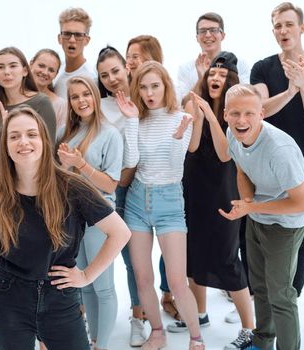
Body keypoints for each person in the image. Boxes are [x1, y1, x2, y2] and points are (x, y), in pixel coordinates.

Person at [0, 105, 131, 350]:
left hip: (59, 297)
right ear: (5, 145)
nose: (23, 142)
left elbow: (120, 232)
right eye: (14, 136)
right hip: (8, 299)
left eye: (31, 134)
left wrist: (86, 276)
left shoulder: (73, 187)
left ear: (43, 140)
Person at [120, 61, 205, 350]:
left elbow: (175, 169)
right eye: (143, 87)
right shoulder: (136, 118)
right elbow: (131, 162)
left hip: (169, 202)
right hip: (137, 201)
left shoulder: (180, 117)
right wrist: (131, 120)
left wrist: (178, 139)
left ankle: (196, 337)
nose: (149, 92)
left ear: (166, 85)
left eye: (155, 85)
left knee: (177, 280)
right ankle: (157, 332)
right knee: (143, 278)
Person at [220, 84, 304, 350]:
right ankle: (262, 342)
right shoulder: (233, 134)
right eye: (235, 113)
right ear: (225, 114)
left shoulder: (279, 150)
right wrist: (247, 203)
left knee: (280, 295)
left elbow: (302, 202)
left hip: (286, 224)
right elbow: (242, 171)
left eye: (249, 113)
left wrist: (253, 208)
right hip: (258, 216)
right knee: (258, 287)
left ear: (262, 114)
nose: (241, 120)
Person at [178, 52, 254, 349]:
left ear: (231, 81)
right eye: (211, 75)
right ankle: (199, 313)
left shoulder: (236, 114)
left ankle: (249, 329)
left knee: (226, 257)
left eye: (221, 77)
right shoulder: (194, 103)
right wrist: (198, 114)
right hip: (194, 187)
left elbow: (225, 154)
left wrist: (211, 115)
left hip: (224, 190)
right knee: (193, 255)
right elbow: (194, 146)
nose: (215, 80)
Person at [251, 1, 304, 298]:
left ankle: (290, 299)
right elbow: (259, 110)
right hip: (262, 164)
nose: (283, 30)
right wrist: (290, 90)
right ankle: (261, 301)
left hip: (303, 165)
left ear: (301, 28)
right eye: (278, 26)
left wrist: (303, 85)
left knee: (300, 235)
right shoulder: (263, 68)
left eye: (289, 24)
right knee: (257, 232)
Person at [56, 76, 123, 350]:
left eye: (86, 94)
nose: (81, 101)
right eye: (75, 96)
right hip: (73, 217)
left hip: (99, 219)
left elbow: (110, 184)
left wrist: (81, 164)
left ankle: (102, 346)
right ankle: (93, 341)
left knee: (103, 287)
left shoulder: (110, 134)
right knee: (84, 286)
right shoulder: (64, 133)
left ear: (95, 97)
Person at [124, 35, 179, 324]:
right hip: (132, 188)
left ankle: (169, 295)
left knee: (172, 257)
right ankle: (141, 313)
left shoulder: (169, 105)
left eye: (139, 56)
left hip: (166, 190)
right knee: (136, 263)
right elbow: (131, 157)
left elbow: (175, 156)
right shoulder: (130, 102)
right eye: (129, 56)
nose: (132, 61)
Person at [95, 46, 145, 346]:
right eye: (104, 75)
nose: (112, 78)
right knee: (97, 251)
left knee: (133, 257)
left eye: (115, 70)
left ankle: (138, 315)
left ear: (126, 68)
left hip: (140, 186)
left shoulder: (144, 96)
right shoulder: (101, 107)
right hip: (109, 186)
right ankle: (91, 311)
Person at [0, 47, 56, 192]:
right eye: (0, 67)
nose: (7, 72)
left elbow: (48, 154)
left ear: (25, 70)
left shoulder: (41, 103)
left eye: (13, 66)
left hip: (31, 187)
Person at [176, 12, 252, 103]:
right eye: (202, 31)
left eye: (213, 30)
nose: (208, 35)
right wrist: (201, 80)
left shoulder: (240, 64)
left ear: (223, 35)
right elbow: (184, 104)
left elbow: (247, 98)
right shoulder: (185, 68)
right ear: (197, 38)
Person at [54, 7, 96, 99]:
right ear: (59, 38)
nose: (72, 40)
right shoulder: (53, 72)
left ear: (87, 40)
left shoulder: (92, 78)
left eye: (78, 35)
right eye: (67, 34)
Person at [30, 48, 67, 127]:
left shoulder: (59, 104)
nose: (45, 72)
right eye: (41, 66)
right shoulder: (15, 94)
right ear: (31, 64)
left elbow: (59, 137)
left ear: (56, 75)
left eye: (51, 70)